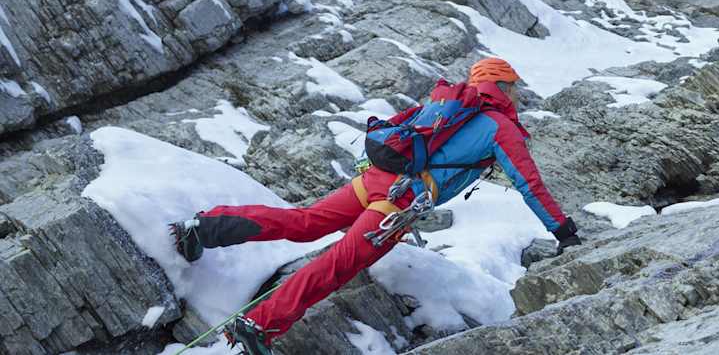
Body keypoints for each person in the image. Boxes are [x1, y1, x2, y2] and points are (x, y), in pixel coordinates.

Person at [168, 57, 580, 353]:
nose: (519, 94)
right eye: (515, 86)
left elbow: (393, 128)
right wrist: (563, 231)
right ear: (504, 87)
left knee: (304, 221)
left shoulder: (444, 104)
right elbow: (530, 185)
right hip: (399, 201)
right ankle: (259, 325)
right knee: (337, 264)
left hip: (373, 180)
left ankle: (203, 229)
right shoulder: (500, 126)